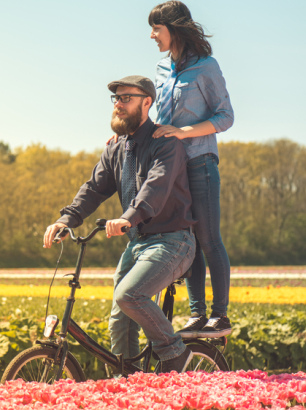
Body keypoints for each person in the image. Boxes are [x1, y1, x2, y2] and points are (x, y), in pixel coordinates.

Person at [43, 75, 197, 373]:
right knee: (119, 319)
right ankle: (126, 382)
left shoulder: (165, 144)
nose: (118, 104)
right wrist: (66, 220)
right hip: (138, 243)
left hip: (173, 241)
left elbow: (156, 188)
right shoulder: (116, 148)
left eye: (126, 98)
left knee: (130, 295)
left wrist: (127, 218)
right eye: (116, 99)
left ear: (147, 102)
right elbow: (93, 189)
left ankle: (175, 354)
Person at [149, 1, 234, 338]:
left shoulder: (207, 67)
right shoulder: (159, 69)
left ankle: (220, 315)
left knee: (209, 238)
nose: (152, 35)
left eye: (157, 28)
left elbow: (225, 116)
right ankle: (196, 315)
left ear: (175, 28)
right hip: (172, 170)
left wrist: (184, 132)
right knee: (189, 241)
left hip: (200, 162)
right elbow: (159, 122)